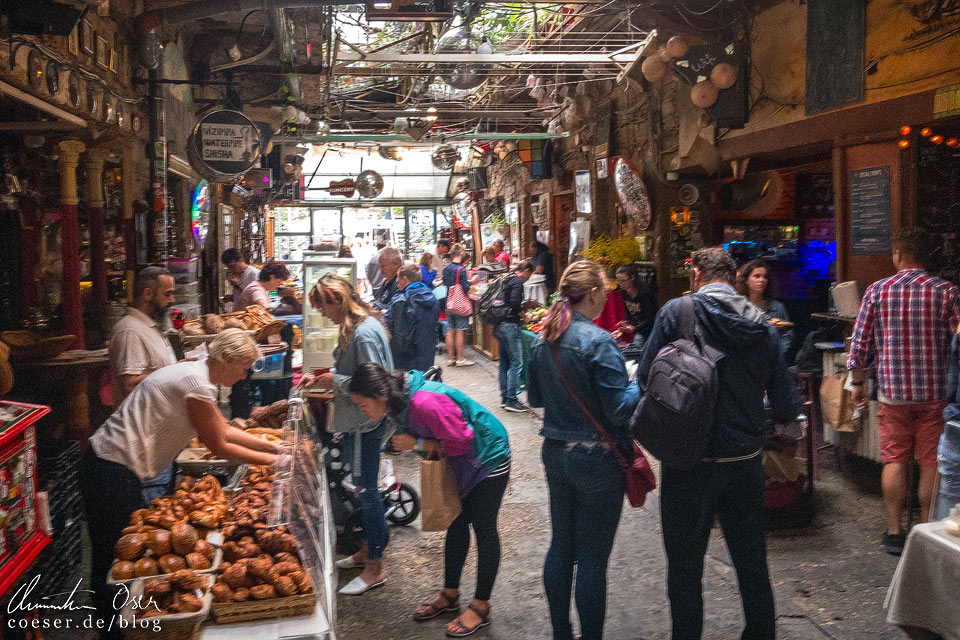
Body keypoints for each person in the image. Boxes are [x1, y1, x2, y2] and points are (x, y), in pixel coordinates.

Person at [637, 247, 798, 640]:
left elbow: (645, 376)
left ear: (697, 277)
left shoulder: (678, 312)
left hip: (689, 459)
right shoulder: (763, 324)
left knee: (684, 564)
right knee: (751, 560)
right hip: (744, 459)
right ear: (733, 279)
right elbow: (785, 403)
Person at [81, 329, 279, 638]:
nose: (244, 376)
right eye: (243, 368)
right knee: (117, 561)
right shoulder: (197, 382)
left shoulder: (195, 372)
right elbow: (218, 445)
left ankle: (121, 629)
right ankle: (115, 632)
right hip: (111, 468)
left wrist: (275, 449)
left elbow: (223, 430)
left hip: (110, 465)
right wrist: (275, 462)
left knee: (121, 558)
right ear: (227, 359)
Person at [348, 363, 510, 638]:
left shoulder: (425, 402)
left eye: (363, 404)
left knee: (484, 529)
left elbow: (463, 440)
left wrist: (418, 445)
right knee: (456, 523)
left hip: (488, 458)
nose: (361, 411)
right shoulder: (399, 403)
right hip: (462, 462)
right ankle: (450, 595)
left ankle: (481, 606)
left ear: (380, 396)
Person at [527, 260, 639, 640]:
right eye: (605, 290)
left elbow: (537, 397)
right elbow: (620, 412)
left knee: (561, 545)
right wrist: (641, 381)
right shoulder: (599, 342)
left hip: (556, 452)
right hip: (597, 460)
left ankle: (562, 632)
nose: (607, 296)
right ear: (592, 294)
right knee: (592, 559)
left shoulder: (545, 338)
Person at [847, 228, 960, 554]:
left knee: (894, 460)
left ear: (897, 255)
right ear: (927, 257)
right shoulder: (946, 292)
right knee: (929, 463)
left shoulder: (877, 291)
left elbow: (859, 344)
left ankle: (894, 532)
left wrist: (857, 383)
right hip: (935, 395)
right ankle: (926, 532)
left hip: (893, 395)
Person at [300, 273, 394, 595]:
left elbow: (376, 384)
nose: (323, 314)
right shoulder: (356, 328)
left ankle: (375, 567)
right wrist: (330, 378)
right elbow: (358, 375)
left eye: (324, 307)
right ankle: (367, 551)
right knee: (363, 490)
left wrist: (332, 382)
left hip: (365, 423)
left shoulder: (363, 334)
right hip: (358, 421)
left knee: (367, 492)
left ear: (337, 300)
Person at [108, 266, 178, 503]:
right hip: (143, 443)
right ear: (148, 294)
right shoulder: (130, 331)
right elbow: (130, 384)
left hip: (159, 439)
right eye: (167, 294)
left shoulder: (149, 327)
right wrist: (176, 372)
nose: (172, 300)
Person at [384, 264, 440, 372]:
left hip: (405, 359)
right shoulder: (433, 299)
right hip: (427, 354)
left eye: (398, 278)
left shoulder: (400, 300)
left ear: (405, 279)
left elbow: (391, 329)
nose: (397, 282)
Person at [495, 261, 533, 413]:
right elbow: (515, 303)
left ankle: (505, 397)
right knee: (516, 363)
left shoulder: (507, 278)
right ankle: (511, 399)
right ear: (526, 270)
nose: (528, 278)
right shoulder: (517, 281)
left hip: (499, 324)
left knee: (504, 363)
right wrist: (524, 316)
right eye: (529, 274)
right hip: (510, 325)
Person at [735, 259, 793, 355]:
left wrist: (777, 353)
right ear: (746, 280)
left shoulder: (777, 307)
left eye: (765, 277)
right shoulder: (738, 306)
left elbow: (787, 335)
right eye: (756, 276)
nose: (762, 280)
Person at [595, 264, 658, 347]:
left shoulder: (645, 293)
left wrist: (634, 329)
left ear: (632, 278)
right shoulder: (624, 292)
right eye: (618, 280)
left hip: (651, 330)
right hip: (639, 330)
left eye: (623, 280)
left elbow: (651, 318)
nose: (620, 283)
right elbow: (628, 312)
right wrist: (624, 326)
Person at [442, 244, 475, 367]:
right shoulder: (460, 270)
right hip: (460, 304)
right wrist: (472, 285)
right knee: (460, 330)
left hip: (449, 302)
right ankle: (460, 359)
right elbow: (465, 288)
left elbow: (446, 283)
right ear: (461, 253)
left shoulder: (446, 268)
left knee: (450, 330)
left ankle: (451, 358)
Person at [374, 246, 403, 311]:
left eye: (383, 266)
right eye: (380, 266)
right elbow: (380, 300)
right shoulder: (386, 281)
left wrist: (374, 306)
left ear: (395, 264)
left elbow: (394, 308)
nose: (380, 269)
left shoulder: (401, 283)